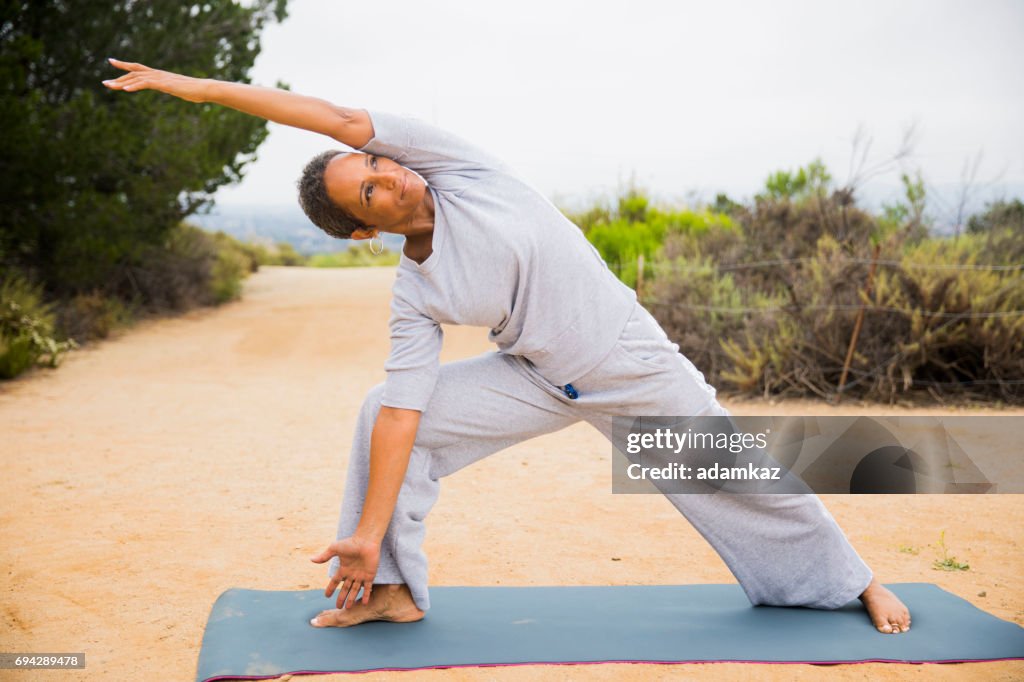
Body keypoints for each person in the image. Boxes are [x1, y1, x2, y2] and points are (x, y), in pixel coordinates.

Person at [103, 58, 911, 635]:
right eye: (372, 189)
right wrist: (366, 526)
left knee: (735, 476)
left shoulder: (462, 171)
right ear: (363, 228)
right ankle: (386, 584)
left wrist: (194, 88)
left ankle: (854, 581)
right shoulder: (415, 292)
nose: (390, 175)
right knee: (381, 407)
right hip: (540, 378)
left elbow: (337, 118)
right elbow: (404, 416)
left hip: (630, 365)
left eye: (379, 163)